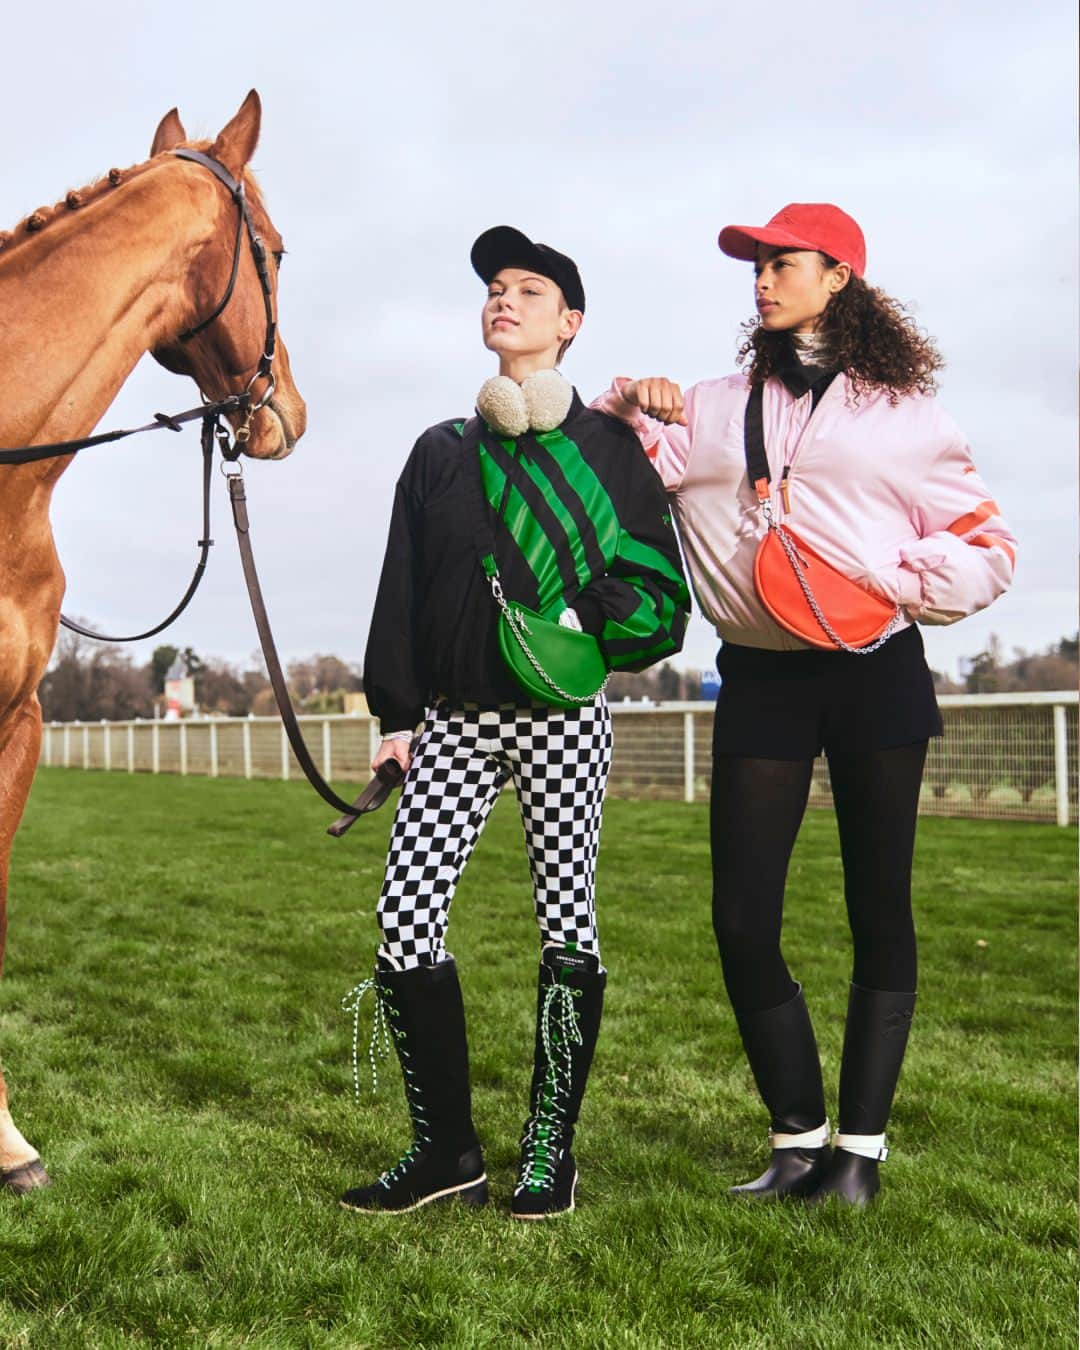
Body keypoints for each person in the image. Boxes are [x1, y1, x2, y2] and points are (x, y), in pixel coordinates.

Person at [594, 203, 1015, 1205]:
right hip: (763, 677)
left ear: (840, 277)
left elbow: (989, 547)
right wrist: (626, 403)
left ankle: (857, 1158)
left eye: (783, 263)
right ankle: (796, 1142)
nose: (762, 280)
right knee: (741, 916)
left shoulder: (908, 414)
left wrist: (891, 583)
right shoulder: (707, 407)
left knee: (880, 910)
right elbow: (612, 466)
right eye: (756, 266)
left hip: (876, 669)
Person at [342, 226, 690, 1219]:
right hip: (451, 721)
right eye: (495, 287)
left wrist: (583, 621)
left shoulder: (612, 450)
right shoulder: (441, 451)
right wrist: (397, 716)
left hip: (563, 721)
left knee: (565, 921)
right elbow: (400, 588)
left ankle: (550, 1151)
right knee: (404, 924)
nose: (505, 299)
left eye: (529, 289)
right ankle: (446, 1152)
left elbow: (663, 593)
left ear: (569, 323)